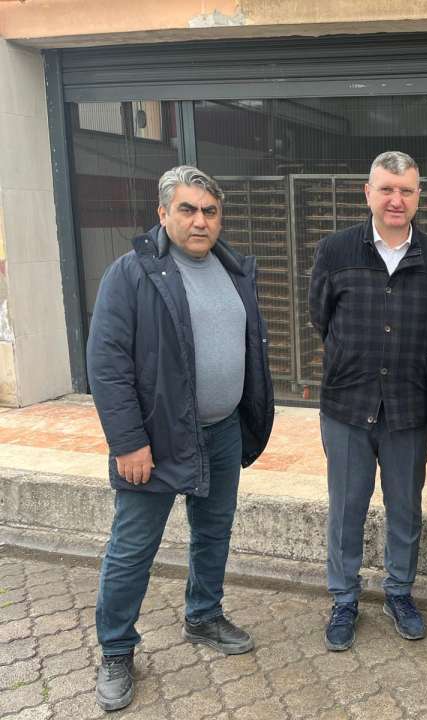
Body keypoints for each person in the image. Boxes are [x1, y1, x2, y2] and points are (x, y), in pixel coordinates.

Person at [87, 165, 275, 712]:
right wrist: (128, 441)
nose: (200, 221)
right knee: (133, 548)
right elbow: (107, 364)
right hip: (156, 439)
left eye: (210, 211)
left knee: (213, 532)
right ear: (162, 213)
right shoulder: (131, 274)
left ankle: (204, 615)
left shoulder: (231, 268)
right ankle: (116, 649)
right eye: (188, 209)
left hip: (222, 432)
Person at [308, 151, 427, 651]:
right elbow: (321, 318)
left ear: (418, 197)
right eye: (387, 189)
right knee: (346, 509)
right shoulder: (335, 251)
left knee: (405, 509)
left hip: (409, 409)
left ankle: (399, 592)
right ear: (368, 192)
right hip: (347, 406)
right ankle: (344, 598)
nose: (396, 199)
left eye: (406, 190)